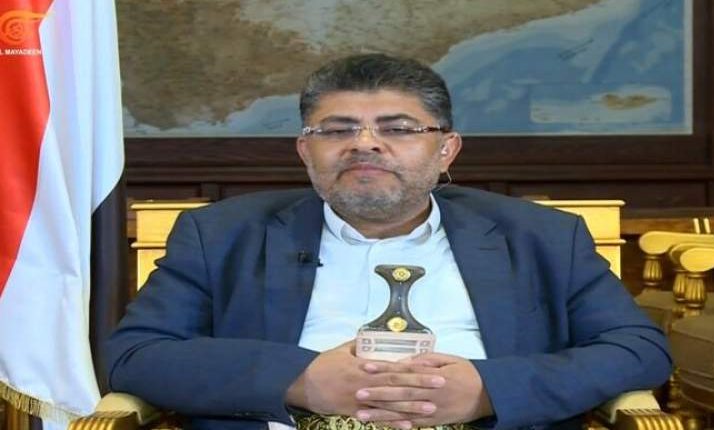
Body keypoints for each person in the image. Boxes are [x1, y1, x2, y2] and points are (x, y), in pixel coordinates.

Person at [106, 54, 671, 430]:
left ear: (446, 150)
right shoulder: (221, 235)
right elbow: (135, 356)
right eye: (337, 129)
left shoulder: (541, 236)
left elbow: (638, 349)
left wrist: (489, 390)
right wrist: (298, 381)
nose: (365, 144)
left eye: (398, 129)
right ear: (306, 151)